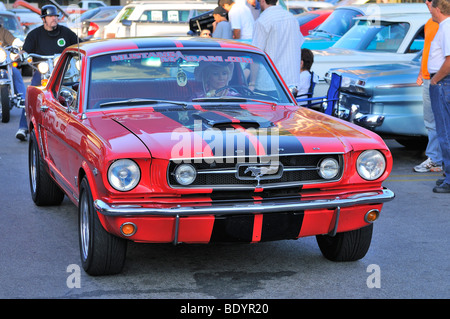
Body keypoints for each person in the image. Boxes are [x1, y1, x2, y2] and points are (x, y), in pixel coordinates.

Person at [16, 4, 79, 141]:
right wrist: (21, 55)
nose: (54, 19)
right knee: (32, 94)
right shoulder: (35, 34)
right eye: (50, 16)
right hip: (42, 70)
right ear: (43, 19)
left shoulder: (66, 33)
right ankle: (23, 127)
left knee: (77, 90)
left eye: (55, 16)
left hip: (64, 71)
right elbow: (25, 50)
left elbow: (79, 45)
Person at [413, 0, 442, 173]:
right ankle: (435, 159)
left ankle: (437, 159)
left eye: (430, 0)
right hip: (428, 78)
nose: (426, 2)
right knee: (431, 121)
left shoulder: (444, 24)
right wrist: (420, 72)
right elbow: (427, 50)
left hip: (440, 78)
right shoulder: (429, 23)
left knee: (441, 121)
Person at [250, 0, 304, 91]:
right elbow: (298, 44)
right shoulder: (291, 18)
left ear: (263, 1)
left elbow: (256, 54)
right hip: (291, 82)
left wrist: (252, 83)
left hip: (269, 83)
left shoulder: (263, 21)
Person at [428, 0, 450, 193]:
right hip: (443, 81)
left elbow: (449, 61)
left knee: (445, 133)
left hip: (443, 82)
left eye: (431, 7)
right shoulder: (445, 27)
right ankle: (447, 175)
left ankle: (449, 180)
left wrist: (435, 80)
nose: (430, 11)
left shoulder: (447, 27)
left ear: (438, 8)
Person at [0, 25, 27, 135]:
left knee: (15, 72)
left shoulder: (2, 32)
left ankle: (23, 97)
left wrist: (18, 43)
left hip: (3, 62)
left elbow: (12, 39)